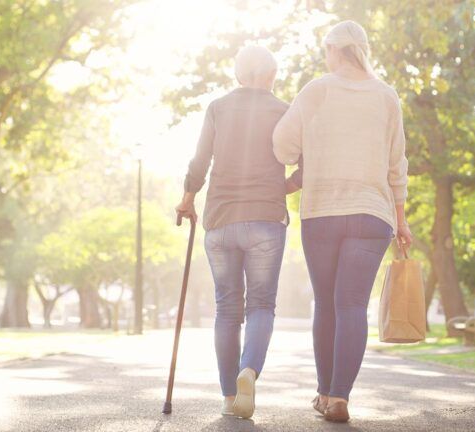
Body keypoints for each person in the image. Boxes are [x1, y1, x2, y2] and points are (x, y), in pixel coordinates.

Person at [273, 20, 413, 423]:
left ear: (334, 50)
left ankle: (323, 392)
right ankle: (339, 397)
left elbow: (282, 145)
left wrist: (305, 157)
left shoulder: (316, 90)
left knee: (327, 305)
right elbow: (396, 167)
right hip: (373, 213)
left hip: (323, 212)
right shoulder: (387, 97)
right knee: (352, 304)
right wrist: (401, 220)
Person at [175, 45, 299, 419]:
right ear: (272, 76)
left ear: (238, 75)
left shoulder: (218, 107)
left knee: (227, 309)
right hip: (265, 220)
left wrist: (187, 199)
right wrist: (285, 187)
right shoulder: (284, 111)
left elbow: (200, 160)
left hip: (221, 220)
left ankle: (230, 396)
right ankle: (250, 369)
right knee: (261, 304)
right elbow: (306, 162)